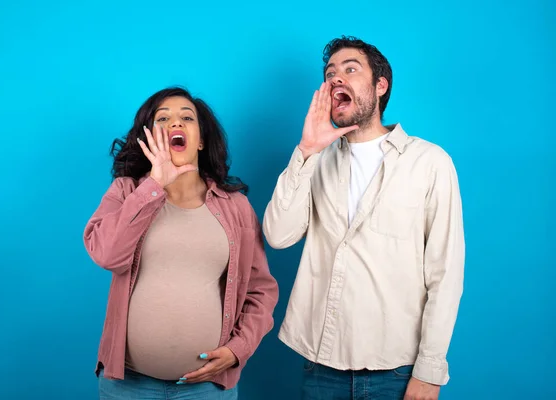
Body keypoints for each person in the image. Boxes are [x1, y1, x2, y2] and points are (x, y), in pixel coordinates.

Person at [262, 36, 465, 400]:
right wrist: (306, 151)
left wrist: (429, 371)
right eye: (330, 73)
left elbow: (445, 275)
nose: (336, 78)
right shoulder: (316, 161)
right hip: (321, 368)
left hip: (398, 371)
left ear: (380, 85)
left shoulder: (430, 162)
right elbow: (278, 235)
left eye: (350, 69)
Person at [83, 87, 279, 399]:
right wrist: (154, 185)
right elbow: (107, 255)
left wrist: (238, 349)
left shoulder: (236, 207)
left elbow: (261, 289)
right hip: (128, 386)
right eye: (163, 119)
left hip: (205, 389)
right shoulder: (125, 192)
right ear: (149, 139)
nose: (176, 123)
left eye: (187, 118)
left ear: (200, 140)